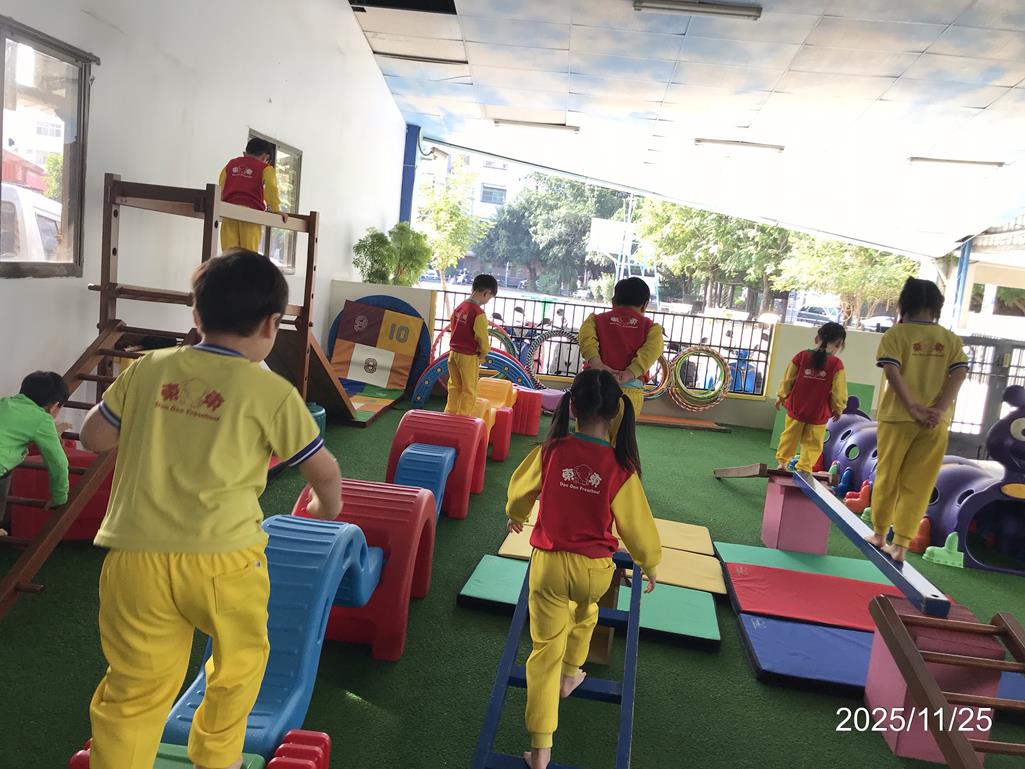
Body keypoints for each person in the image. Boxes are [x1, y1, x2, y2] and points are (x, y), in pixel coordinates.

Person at [80, 251, 343, 769]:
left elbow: (94, 437)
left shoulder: (149, 368)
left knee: (135, 685)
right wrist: (325, 506)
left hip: (135, 557)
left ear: (196, 314)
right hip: (225, 561)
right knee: (239, 664)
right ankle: (217, 757)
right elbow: (323, 470)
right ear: (271, 325)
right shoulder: (271, 392)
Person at [505, 368, 661, 769]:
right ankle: (573, 671)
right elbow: (637, 525)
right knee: (588, 611)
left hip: (549, 567)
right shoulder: (620, 467)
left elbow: (522, 489)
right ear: (615, 413)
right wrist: (650, 562)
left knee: (544, 652)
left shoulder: (552, 450)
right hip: (595, 572)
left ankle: (541, 750)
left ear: (571, 406)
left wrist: (516, 514)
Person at [867, 278, 968, 562]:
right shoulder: (950, 339)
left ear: (904, 303)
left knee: (888, 475)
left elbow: (892, 371)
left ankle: (879, 533)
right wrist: (938, 409)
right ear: (936, 306)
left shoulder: (896, 335)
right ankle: (900, 545)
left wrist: (913, 406)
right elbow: (959, 373)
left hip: (898, 418)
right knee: (920, 483)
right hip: (935, 423)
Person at [577, 277, 664, 439]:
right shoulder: (652, 328)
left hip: (594, 387)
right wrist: (630, 373)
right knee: (621, 442)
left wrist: (598, 364)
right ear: (645, 305)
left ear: (613, 301)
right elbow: (651, 351)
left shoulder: (594, 320)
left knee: (588, 441)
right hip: (629, 393)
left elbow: (586, 340)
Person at [0, 371, 71, 535]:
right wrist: (59, 497)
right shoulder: (43, 419)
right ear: (54, 406)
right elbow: (58, 462)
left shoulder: (4, 402)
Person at [774, 321, 848, 472]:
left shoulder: (801, 356)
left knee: (789, 437)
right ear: (839, 344)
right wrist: (838, 408)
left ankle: (782, 463)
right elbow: (838, 390)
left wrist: (781, 396)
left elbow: (788, 379)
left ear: (816, 338)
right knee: (813, 443)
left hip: (797, 407)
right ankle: (804, 468)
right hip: (818, 412)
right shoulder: (836, 364)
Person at [218, 137, 289, 254]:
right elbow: (271, 187)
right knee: (248, 254)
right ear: (265, 158)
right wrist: (274, 209)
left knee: (229, 255)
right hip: (251, 216)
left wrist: (220, 206)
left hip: (229, 214)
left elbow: (221, 184)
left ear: (245, 153)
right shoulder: (266, 168)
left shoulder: (231, 164)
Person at [445, 274, 498, 416]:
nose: (487, 301)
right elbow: (482, 337)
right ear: (486, 293)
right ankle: (463, 418)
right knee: (469, 389)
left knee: (454, 386)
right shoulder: (478, 313)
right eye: (489, 298)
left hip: (453, 354)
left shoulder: (460, 307)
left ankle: (449, 415)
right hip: (468, 356)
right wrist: (483, 353)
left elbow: (453, 327)